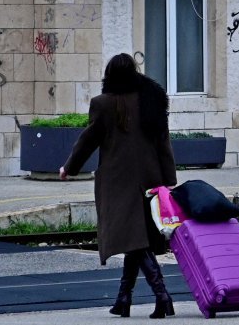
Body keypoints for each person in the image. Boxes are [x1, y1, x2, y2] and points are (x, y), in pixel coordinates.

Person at [60, 53, 178, 319]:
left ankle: (163, 296)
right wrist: (168, 180)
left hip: (118, 181)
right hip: (150, 179)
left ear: (110, 75)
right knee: (135, 238)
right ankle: (123, 299)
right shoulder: (150, 100)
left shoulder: (103, 104)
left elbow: (88, 139)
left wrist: (69, 167)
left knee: (135, 241)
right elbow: (163, 142)